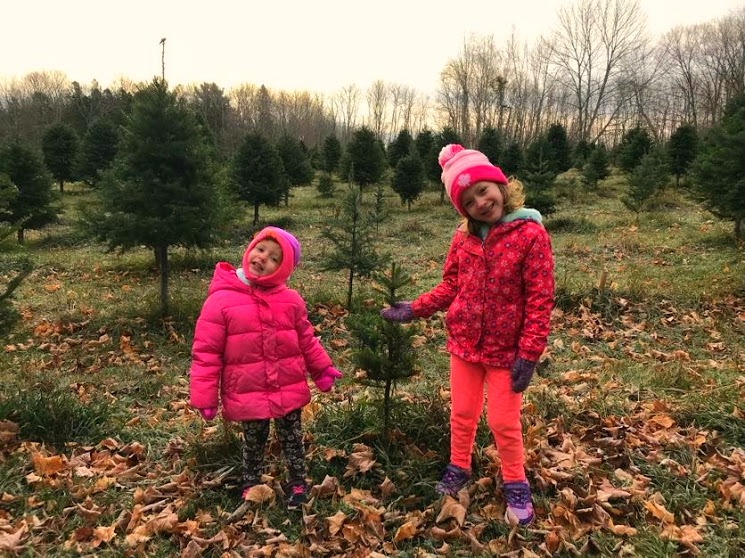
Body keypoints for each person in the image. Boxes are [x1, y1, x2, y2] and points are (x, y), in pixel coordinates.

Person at [381, 144, 554, 526]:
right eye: (468, 198)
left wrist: (529, 353)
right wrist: (416, 308)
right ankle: (459, 464)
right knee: (462, 412)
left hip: (507, 351)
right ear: (461, 207)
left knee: (503, 422)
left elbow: (541, 300)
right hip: (464, 344)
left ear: (500, 185)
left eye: (483, 190)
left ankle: (515, 481)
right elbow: (450, 286)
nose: (480, 202)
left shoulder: (530, 234)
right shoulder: (463, 238)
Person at [189, 226, 343, 510]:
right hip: (248, 389)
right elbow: (206, 353)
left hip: (287, 385)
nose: (263, 258)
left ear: (283, 269)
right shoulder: (221, 300)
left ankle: (297, 481)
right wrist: (205, 396)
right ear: (250, 249)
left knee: (292, 437)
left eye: (274, 258)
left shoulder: (291, 301)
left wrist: (322, 370)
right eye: (261, 249)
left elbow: (307, 340)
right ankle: (251, 483)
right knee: (254, 439)